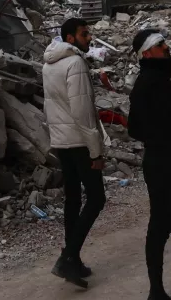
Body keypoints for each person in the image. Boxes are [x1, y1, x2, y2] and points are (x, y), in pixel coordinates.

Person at [128, 29, 171, 300]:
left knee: (159, 223)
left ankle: (156, 291)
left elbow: (134, 127)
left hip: (154, 161)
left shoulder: (141, 84)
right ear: (147, 53)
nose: (166, 47)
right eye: (160, 44)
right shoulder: (158, 83)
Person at [43, 18, 106, 289]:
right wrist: (96, 151)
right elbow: (82, 112)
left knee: (72, 200)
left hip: (60, 140)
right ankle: (68, 257)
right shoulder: (76, 63)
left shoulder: (48, 63)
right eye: (84, 33)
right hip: (79, 142)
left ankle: (74, 259)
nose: (89, 37)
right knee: (96, 198)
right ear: (70, 38)